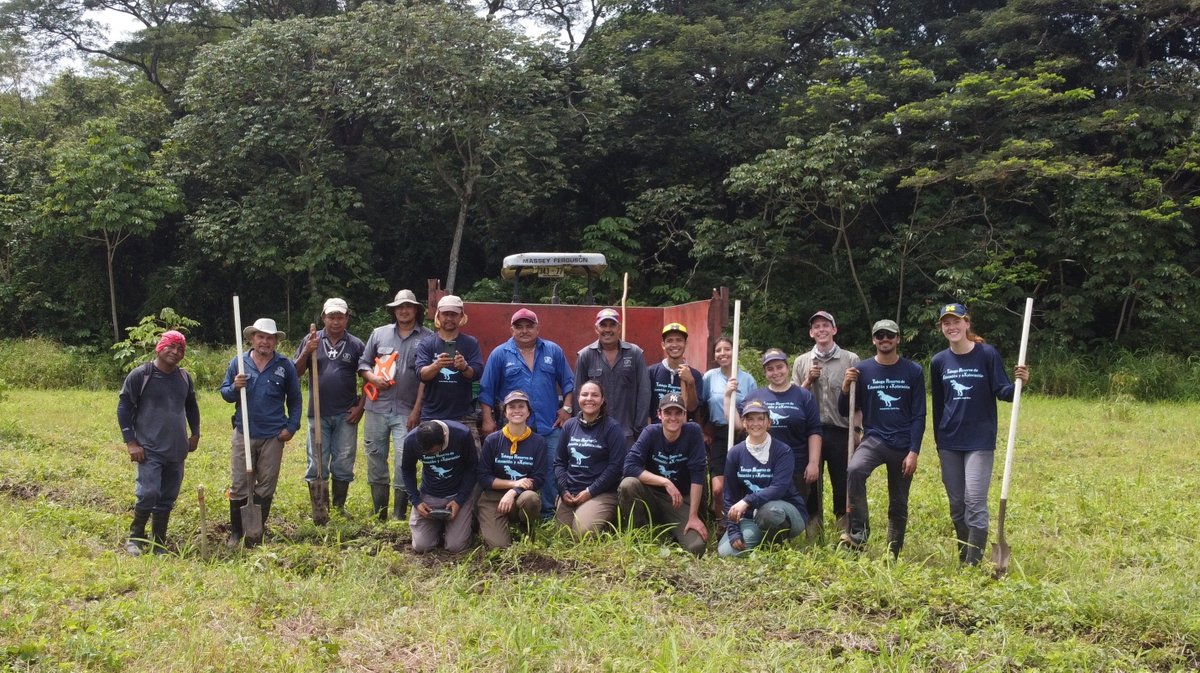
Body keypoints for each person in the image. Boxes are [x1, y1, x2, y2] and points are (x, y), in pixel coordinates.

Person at [931, 302, 1030, 565]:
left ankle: (972, 564)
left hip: (979, 440)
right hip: (949, 442)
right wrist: (939, 442)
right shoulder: (939, 361)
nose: (951, 327)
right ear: (942, 328)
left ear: (967, 323)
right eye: (946, 323)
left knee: (974, 501)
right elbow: (938, 406)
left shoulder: (987, 354)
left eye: (956, 321)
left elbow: (1003, 392)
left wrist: (1020, 383)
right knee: (957, 505)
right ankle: (965, 556)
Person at [838, 319, 926, 558]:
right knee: (855, 470)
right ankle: (859, 533)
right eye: (880, 336)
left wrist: (914, 451)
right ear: (873, 340)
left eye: (890, 335)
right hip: (874, 439)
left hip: (903, 443)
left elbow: (919, 415)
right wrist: (845, 388)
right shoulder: (862, 370)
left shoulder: (913, 371)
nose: (885, 339)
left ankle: (893, 550)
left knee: (899, 500)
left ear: (898, 339)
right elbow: (845, 410)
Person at [478, 308, 574, 519]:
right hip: (515, 429)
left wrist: (567, 408)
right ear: (511, 329)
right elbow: (486, 390)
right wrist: (487, 419)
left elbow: (568, 382)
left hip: (549, 424)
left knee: (551, 468)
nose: (524, 331)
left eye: (529, 326)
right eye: (519, 327)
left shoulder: (553, 351)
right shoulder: (500, 354)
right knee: (513, 467)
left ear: (538, 328)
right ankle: (514, 511)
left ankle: (548, 513)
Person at [116, 330, 200, 555]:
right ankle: (135, 537)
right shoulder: (141, 375)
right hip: (149, 448)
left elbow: (191, 406)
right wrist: (131, 442)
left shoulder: (184, 378)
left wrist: (195, 434)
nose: (175, 352)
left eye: (180, 349)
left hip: (177, 449)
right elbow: (124, 407)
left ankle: (158, 542)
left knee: (167, 497)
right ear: (160, 347)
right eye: (171, 346)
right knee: (149, 493)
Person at [220, 318, 302, 546]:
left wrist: (291, 427)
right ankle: (236, 533)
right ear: (252, 338)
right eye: (261, 337)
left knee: (266, 484)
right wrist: (234, 387)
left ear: (276, 341)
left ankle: (255, 532)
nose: (265, 341)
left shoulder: (285, 366)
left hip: (273, 435)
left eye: (270, 338)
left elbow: (295, 399)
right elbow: (225, 393)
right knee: (239, 484)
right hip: (244, 432)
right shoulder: (238, 363)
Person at [358, 289, 432, 522]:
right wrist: (372, 378)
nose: (404, 310)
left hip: (408, 411)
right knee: (375, 456)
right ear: (394, 311)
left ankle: (399, 514)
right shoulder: (379, 334)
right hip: (377, 408)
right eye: (400, 307)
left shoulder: (428, 338)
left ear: (416, 310)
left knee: (404, 459)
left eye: (408, 306)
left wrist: (417, 410)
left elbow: (427, 379)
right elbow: (363, 364)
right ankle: (379, 513)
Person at [737, 348, 822, 536]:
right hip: (762, 465)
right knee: (766, 504)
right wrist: (728, 396)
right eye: (770, 369)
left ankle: (791, 536)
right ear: (765, 372)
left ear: (787, 367)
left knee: (793, 506)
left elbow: (814, 430)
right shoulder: (755, 397)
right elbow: (739, 425)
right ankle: (769, 537)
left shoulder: (803, 395)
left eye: (779, 367)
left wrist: (813, 462)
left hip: (797, 464)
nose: (776, 372)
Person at [293, 298, 366, 515]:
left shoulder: (356, 344)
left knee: (344, 461)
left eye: (340, 317)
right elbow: (295, 373)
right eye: (331, 317)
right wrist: (307, 351)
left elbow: (368, 378)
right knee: (317, 461)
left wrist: (361, 407)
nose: (335, 321)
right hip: (318, 413)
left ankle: (338, 508)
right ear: (323, 317)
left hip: (346, 414)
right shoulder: (311, 339)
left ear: (347, 318)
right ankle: (319, 507)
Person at [792, 310, 860, 533]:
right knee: (811, 479)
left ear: (834, 330)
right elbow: (794, 399)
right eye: (816, 327)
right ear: (811, 333)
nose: (821, 329)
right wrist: (808, 380)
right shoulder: (801, 362)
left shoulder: (850, 359)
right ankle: (814, 525)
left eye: (825, 325)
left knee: (842, 479)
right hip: (811, 431)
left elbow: (858, 399)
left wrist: (857, 429)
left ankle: (843, 525)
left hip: (841, 430)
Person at [618, 393, 709, 557]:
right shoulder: (650, 432)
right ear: (659, 414)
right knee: (628, 484)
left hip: (680, 501)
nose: (673, 418)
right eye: (668, 413)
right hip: (653, 496)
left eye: (678, 413)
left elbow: (698, 474)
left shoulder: (693, 432)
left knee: (696, 548)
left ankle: (671, 530)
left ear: (684, 415)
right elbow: (629, 467)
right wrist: (665, 482)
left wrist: (693, 516)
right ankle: (640, 533)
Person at [718, 398, 807, 557]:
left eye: (760, 419)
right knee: (727, 553)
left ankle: (776, 547)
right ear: (744, 423)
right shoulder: (735, 453)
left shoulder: (783, 451)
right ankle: (762, 539)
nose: (756, 423)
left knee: (768, 513)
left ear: (769, 423)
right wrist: (733, 531)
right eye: (750, 419)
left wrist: (746, 501)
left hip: (784, 510)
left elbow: (779, 488)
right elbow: (729, 495)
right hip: (750, 517)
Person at [554, 380, 627, 538]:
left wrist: (590, 491)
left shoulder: (613, 428)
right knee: (563, 535)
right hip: (571, 492)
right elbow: (559, 462)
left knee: (582, 533)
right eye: (584, 394)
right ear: (578, 398)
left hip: (600, 492)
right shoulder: (569, 426)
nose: (589, 398)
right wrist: (563, 489)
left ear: (602, 400)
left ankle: (609, 521)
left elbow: (616, 468)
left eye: (595, 395)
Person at [476, 391, 548, 548]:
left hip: (521, 497)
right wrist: (513, 484)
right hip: (492, 499)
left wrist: (513, 492)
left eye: (521, 406)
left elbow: (539, 478)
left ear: (528, 412)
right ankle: (495, 525)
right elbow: (483, 477)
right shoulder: (492, 440)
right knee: (499, 547)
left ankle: (525, 527)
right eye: (512, 407)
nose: (517, 411)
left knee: (531, 499)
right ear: (505, 412)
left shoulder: (538, 442)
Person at [574, 308, 651, 446]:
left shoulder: (635, 353)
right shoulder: (585, 356)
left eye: (612, 325)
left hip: (627, 434)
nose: (607, 330)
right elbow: (578, 395)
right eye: (603, 325)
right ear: (596, 328)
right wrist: (581, 428)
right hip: (594, 433)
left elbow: (644, 393)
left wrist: (639, 428)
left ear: (619, 328)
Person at [400, 420, 479, 553]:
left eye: (436, 450)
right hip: (430, 494)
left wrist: (460, 500)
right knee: (421, 546)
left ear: (444, 435)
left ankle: (463, 523)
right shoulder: (411, 440)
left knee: (456, 547)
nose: (433, 454)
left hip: (457, 493)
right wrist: (416, 501)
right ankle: (440, 525)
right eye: (427, 453)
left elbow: (472, 467)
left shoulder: (461, 434)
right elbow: (407, 470)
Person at [415, 295, 484, 448]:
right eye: (445, 314)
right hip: (432, 414)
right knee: (432, 456)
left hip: (464, 414)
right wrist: (436, 366)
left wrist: (464, 367)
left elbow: (477, 373)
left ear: (461, 316)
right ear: (438, 316)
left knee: (473, 457)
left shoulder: (470, 343)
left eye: (453, 314)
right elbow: (421, 374)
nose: (449, 318)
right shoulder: (427, 343)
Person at [701, 336, 757, 517]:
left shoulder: (747, 380)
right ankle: (720, 522)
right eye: (718, 350)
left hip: (741, 435)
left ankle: (738, 519)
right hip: (717, 434)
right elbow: (702, 405)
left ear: (735, 351)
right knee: (718, 489)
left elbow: (754, 410)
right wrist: (705, 429)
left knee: (739, 482)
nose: (722, 353)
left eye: (727, 349)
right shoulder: (709, 377)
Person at [647, 322, 704, 421]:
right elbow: (647, 407)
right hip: (657, 428)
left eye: (679, 340)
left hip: (682, 428)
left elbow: (692, 408)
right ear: (663, 345)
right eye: (670, 341)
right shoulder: (651, 372)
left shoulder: (695, 375)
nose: (674, 345)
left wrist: (690, 382)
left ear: (685, 344)